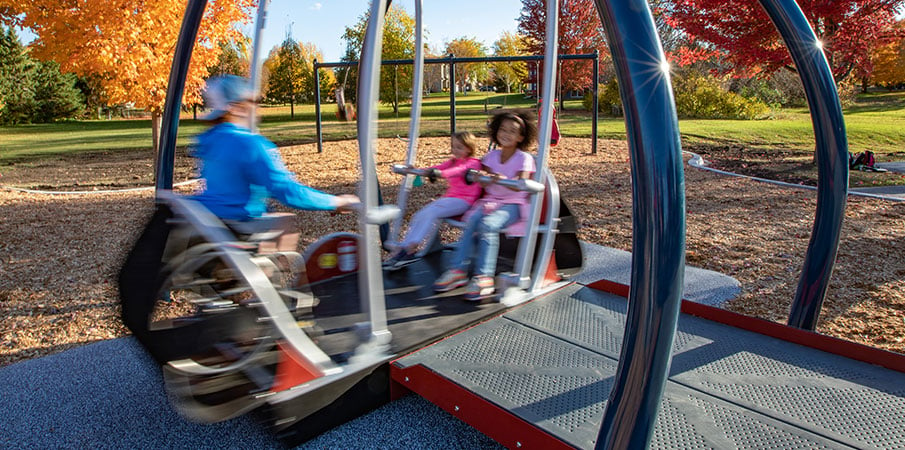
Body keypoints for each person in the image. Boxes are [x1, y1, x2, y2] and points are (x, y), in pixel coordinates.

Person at [191, 75, 359, 250]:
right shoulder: (251, 144)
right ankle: (276, 273)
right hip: (237, 226)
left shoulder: (208, 141)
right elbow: (288, 191)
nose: (257, 109)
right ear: (237, 108)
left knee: (273, 215)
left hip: (207, 222)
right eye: (253, 102)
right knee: (285, 224)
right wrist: (337, 202)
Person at [433, 110, 538, 301]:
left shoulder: (524, 158)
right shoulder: (491, 156)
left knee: (488, 225)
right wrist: (484, 178)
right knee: (471, 221)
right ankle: (458, 269)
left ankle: (484, 276)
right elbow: (482, 181)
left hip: (513, 203)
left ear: (521, 137)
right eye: (503, 129)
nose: (506, 134)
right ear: (496, 132)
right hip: (491, 201)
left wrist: (502, 179)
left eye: (512, 131)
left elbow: (520, 184)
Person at [384, 131, 483, 270]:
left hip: (464, 201)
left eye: (459, 147)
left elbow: (459, 170)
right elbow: (438, 168)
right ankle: (405, 247)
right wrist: (418, 170)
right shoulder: (453, 161)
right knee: (420, 214)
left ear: (469, 148)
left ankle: (411, 247)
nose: (455, 150)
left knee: (432, 213)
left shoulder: (474, 163)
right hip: (450, 198)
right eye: (454, 147)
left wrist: (440, 174)